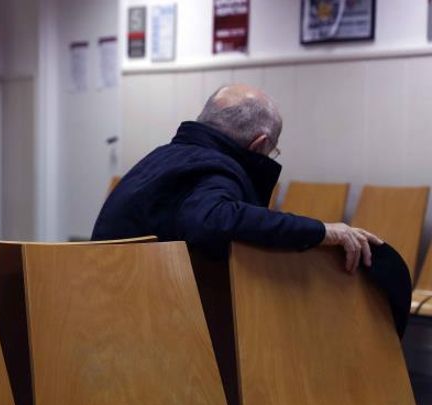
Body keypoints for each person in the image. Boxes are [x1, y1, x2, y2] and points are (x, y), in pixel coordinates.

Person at [92, 83, 382, 272]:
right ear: (258, 145)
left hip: (102, 299)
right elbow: (214, 220)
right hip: (141, 319)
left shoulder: (162, 158)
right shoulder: (217, 168)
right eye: (272, 151)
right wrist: (323, 231)